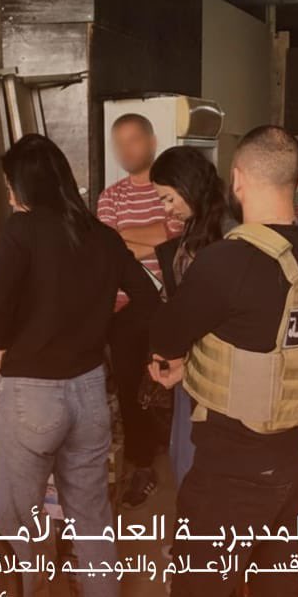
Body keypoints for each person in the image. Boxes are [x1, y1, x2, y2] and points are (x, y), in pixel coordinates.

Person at [149, 126, 298, 597]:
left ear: (237, 180)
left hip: (235, 472)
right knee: (280, 595)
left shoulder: (226, 260)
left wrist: (174, 363)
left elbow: (166, 336)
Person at [0, 134, 160, 597]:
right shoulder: (101, 235)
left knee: (14, 523)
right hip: (88, 392)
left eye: (10, 183)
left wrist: (1, 347)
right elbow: (148, 295)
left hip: (31, 394)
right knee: (91, 516)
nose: (9, 193)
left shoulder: (21, 231)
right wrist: (100, 329)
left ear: (24, 186)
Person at [98, 114, 184, 506]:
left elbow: (174, 235)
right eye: (119, 142)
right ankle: (142, 464)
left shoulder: (171, 189)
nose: (126, 149)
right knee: (132, 387)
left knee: (177, 383)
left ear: (151, 141)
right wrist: (151, 238)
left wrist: (126, 237)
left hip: (173, 303)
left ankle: (185, 458)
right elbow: (109, 248)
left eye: (133, 139)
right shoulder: (110, 197)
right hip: (126, 308)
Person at [149, 146, 233, 487]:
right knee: (184, 458)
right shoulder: (197, 226)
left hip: (213, 369)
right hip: (191, 363)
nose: (167, 209)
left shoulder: (228, 233)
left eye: (169, 199)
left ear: (188, 185)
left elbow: (220, 312)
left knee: (198, 465)